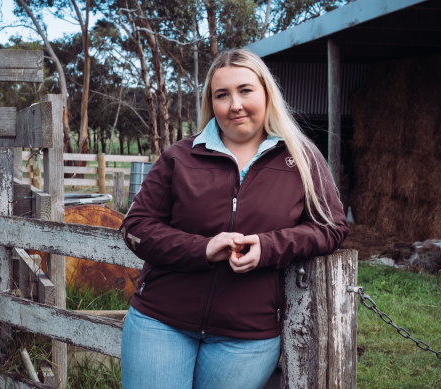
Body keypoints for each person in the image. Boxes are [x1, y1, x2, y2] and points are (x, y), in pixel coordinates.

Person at [119, 48, 349, 389]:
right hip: (161, 321)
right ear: (211, 103)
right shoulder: (180, 157)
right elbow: (135, 227)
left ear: (266, 93)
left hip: (246, 336)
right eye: (221, 95)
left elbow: (331, 227)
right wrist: (203, 248)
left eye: (245, 90)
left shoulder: (301, 158)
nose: (234, 105)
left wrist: (268, 247)